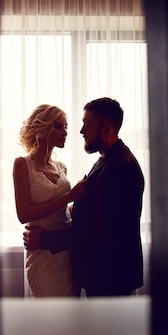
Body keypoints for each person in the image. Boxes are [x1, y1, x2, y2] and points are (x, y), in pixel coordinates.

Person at [24, 97, 144, 297]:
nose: (81, 131)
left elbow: (99, 230)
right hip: (101, 273)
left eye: (87, 125)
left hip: (111, 277)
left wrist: (45, 239)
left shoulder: (121, 167)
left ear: (106, 130)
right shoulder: (105, 160)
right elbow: (92, 206)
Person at [13, 104, 87, 297]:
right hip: (42, 255)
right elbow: (23, 214)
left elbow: (62, 210)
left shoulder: (61, 167)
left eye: (66, 127)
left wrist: (79, 203)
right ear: (42, 128)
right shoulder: (22, 165)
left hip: (67, 251)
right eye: (58, 126)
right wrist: (68, 197)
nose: (65, 133)